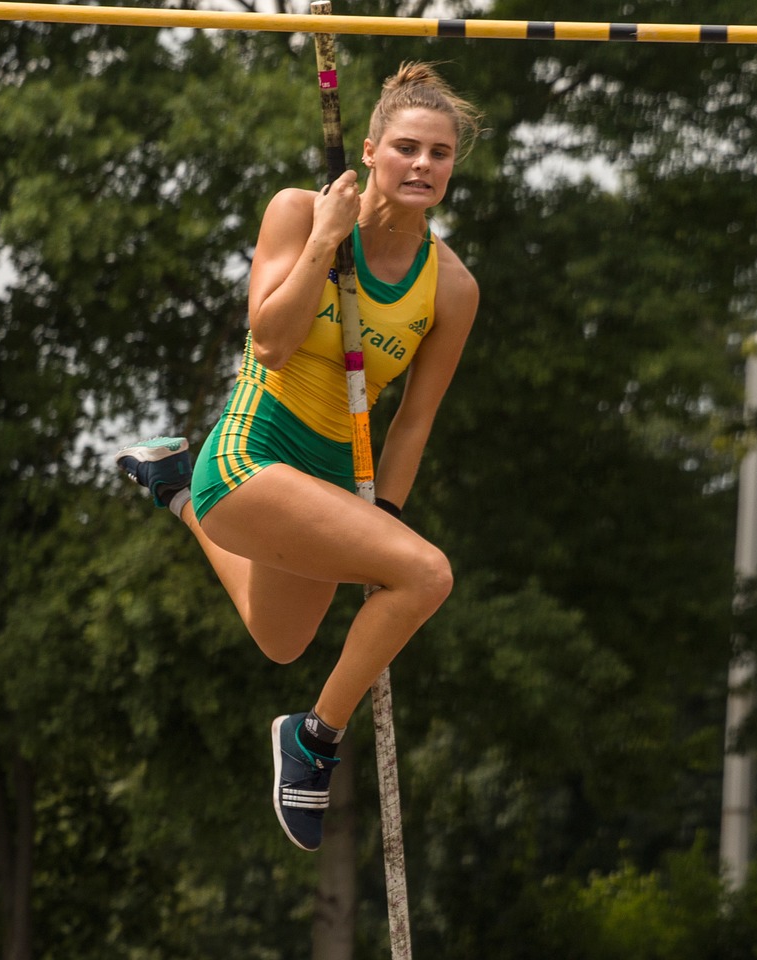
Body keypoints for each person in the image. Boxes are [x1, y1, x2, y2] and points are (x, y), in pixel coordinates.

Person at [114, 62, 481, 852]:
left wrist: (377, 526)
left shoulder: (451, 287)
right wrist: (325, 239)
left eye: (441, 154)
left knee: (281, 637)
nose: (423, 165)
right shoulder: (298, 212)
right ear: (373, 149)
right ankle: (313, 740)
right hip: (252, 453)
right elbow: (274, 342)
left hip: (326, 478)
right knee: (428, 574)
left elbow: (413, 425)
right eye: (409, 148)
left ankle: (175, 487)